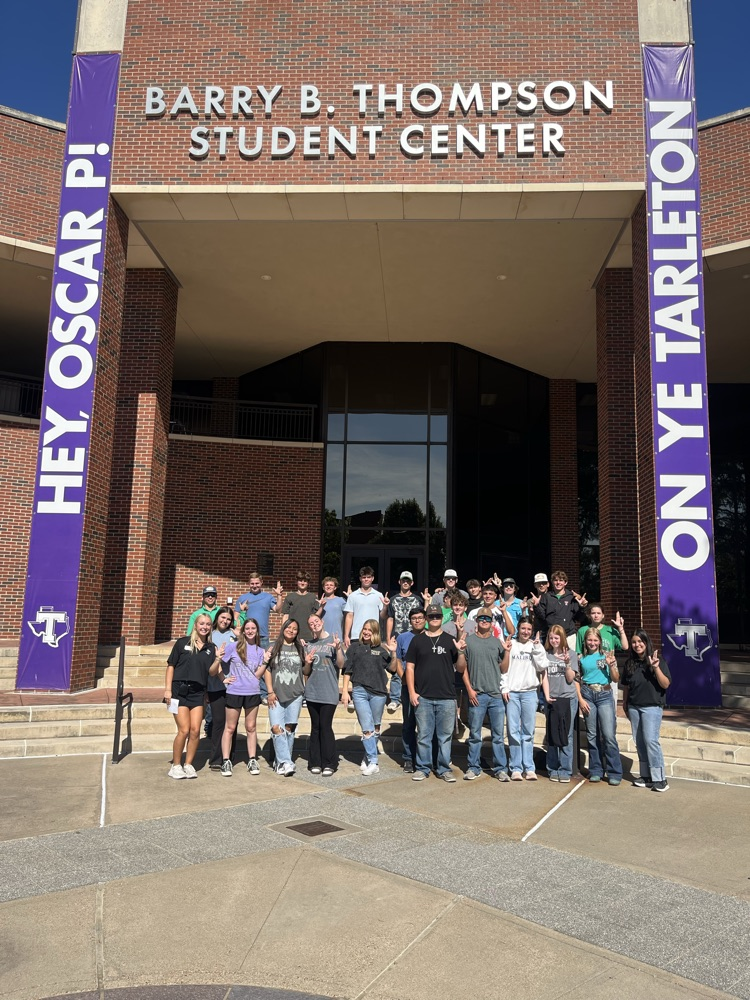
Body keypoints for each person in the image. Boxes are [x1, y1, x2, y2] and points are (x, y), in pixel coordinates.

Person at [405, 606, 467, 782]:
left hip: (447, 697)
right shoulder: (417, 641)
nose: (434, 618)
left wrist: (461, 651)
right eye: (431, 616)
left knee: (445, 737)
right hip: (423, 696)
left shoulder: (449, 640)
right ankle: (423, 768)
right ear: (426, 618)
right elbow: (409, 667)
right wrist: (411, 692)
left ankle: (443, 768)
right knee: (423, 735)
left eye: (437, 616)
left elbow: (461, 668)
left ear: (442, 618)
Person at [164, 614, 225, 779]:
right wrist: (167, 690)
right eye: (201, 623)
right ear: (195, 625)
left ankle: (188, 764)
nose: (204, 626)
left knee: (195, 730)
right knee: (183, 730)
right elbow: (171, 666)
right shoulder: (182, 642)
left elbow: (212, 672)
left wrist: (218, 659)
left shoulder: (211, 648)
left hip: (198, 693)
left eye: (207, 624)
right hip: (178, 691)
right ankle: (176, 766)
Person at [342, 619, 395, 775]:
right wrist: (345, 691)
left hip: (378, 692)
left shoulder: (382, 649)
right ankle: (373, 761)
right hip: (359, 691)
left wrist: (393, 652)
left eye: (370, 630)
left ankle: (368, 754)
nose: (366, 632)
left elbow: (392, 669)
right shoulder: (354, 648)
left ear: (376, 633)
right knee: (366, 727)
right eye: (364, 629)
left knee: (376, 726)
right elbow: (347, 671)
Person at [621, 629, 671, 792]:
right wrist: (625, 703)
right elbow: (627, 686)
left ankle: (660, 778)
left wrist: (656, 668)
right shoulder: (630, 663)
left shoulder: (658, 660)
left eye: (640, 641)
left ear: (646, 642)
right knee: (640, 741)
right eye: (634, 642)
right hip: (634, 706)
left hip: (652, 707)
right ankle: (646, 775)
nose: (637, 645)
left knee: (651, 740)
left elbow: (665, 684)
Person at [462, 609, 509, 780]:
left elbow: (504, 668)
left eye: (487, 619)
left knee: (497, 736)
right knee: (475, 735)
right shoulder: (468, 641)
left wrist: (508, 652)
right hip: (477, 694)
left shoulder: (497, 642)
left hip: (496, 695)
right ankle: (473, 767)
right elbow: (463, 669)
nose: (484, 621)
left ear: (491, 622)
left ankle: (500, 769)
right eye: (481, 618)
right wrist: (469, 689)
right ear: (476, 620)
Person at [219, 618, 267, 776]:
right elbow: (218, 662)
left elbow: (257, 675)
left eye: (253, 628)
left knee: (251, 727)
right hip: (234, 691)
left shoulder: (260, 651)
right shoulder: (233, 647)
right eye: (247, 628)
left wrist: (265, 662)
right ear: (243, 631)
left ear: (257, 631)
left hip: (252, 693)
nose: (250, 631)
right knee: (230, 727)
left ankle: (252, 759)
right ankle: (226, 761)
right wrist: (223, 679)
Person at [500, 618, 547, 780]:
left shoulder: (535, 646)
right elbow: (504, 669)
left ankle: (529, 767)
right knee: (513, 731)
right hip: (512, 693)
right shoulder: (511, 645)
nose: (525, 632)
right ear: (518, 629)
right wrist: (504, 687)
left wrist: (537, 647)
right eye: (523, 628)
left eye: (528, 629)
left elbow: (542, 667)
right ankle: (515, 768)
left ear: (532, 631)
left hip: (530, 693)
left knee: (528, 732)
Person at [264, 618, 311, 776]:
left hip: (295, 694)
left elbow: (305, 672)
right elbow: (267, 670)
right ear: (283, 628)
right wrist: (270, 691)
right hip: (276, 694)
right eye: (289, 627)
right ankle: (286, 762)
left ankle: (282, 763)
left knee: (290, 728)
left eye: (295, 628)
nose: (291, 630)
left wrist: (309, 663)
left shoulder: (300, 648)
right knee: (276, 727)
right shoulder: (273, 646)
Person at [578, 627, 623, 785]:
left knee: (608, 735)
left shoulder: (606, 656)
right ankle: (596, 769)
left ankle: (614, 771)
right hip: (588, 694)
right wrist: (580, 699)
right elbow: (577, 680)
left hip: (604, 694)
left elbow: (616, 679)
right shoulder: (581, 658)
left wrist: (611, 665)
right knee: (592, 734)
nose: (592, 643)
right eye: (589, 640)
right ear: (585, 641)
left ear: (599, 641)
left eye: (595, 640)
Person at [305, 612, 345, 775]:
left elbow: (341, 665)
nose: (314, 624)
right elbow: (306, 671)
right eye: (311, 623)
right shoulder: (308, 644)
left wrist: (338, 649)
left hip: (329, 692)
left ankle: (329, 763)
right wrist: (307, 662)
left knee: (325, 726)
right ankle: (315, 762)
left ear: (322, 621)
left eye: (316, 621)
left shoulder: (333, 640)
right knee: (315, 727)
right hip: (312, 691)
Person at [540, 625, 581, 782]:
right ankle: (552, 767)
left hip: (567, 698)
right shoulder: (546, 654)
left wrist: (568, 663)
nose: (554, 640)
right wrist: (547, 695)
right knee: (552, 734)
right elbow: (544, 676)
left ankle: (565, 769)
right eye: (551, 637)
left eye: (556, 637)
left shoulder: (571, 654)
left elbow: (571, 679)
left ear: (562, 638)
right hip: (552, 698)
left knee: (566, 735)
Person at [385, 571, 425, 712]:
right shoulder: (394, 599)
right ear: (399, 582)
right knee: (397, 667)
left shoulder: (417, 599)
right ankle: (395, 699)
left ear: (412, 583)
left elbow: (422, 616)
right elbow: (390, 618)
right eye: (403, 580)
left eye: (408, 580)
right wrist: (388, 636)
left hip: (414, 636)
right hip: (398, 636)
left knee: (413, 666)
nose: (406, 583)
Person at [395, 605, 426, 772]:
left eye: (420, 618)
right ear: (410, 621)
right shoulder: (403, 637)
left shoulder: (430, 635)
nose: (417, 621)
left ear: (425, 619)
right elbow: (398, 660)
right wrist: (403, 678)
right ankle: (408, 757)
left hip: (427, 686)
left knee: (426, 725)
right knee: (408, 722)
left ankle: (426, 757)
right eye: (414, 618)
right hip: (408, 686)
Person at [207, 606, 238, 769]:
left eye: (228, 619)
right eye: (222, 617)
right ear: (217, 617)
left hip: (234, 685)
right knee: (218, 721)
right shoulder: (210, 635)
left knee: (232, 723)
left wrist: (241, 638)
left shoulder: (235, 635)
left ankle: (229, 756)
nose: (225, 621)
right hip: (215, 685)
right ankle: (216, 759)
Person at [530, 570, 588, 649]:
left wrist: (582, 607)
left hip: (569, 636)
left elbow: (579, 618)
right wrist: (536, 606)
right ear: (552, 582)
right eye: (556, 580)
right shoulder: (546, 597)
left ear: (565, 582)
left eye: (561, 580)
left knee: (570, 659)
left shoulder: (571, 597)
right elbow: (542, 617)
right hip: (552, 637)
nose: (558, 583)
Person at [235, 574, 284, 647]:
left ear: (261, 583)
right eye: (252, 583)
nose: (254, 586)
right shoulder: (242, 598)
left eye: (257, 583)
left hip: (263, 637)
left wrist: (279, 596)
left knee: (264, 658)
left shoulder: (268, 597)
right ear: (249, 584)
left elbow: (278, 610)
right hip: (246, 636)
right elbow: (236, 618)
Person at [343, 566, 385, 647]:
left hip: (373, 635)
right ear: (360, 579)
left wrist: (386, 606)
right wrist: (346, 636)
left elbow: (383, 615)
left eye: (368, 577)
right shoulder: (353, 596)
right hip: (356, 635)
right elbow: (349, 616)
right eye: (364, 577)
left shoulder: (378, 595)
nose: (366, 579)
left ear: (372, 578)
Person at [281, 571, 320, 642]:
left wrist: (316, 632)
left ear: (308, 583)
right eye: (300, 580)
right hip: (292, 634)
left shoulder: (313, 597)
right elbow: (286, 616)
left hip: (309, 634)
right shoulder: (290, 597)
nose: (302, 583)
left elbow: (316, 617)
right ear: (296, 582)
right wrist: (283, 631)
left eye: (305, 581)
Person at [318, 576, 347, 643]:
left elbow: (349, 616)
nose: (329, 587)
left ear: (335, 587)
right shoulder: (320, 602)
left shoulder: (341, 600)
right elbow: (315, 618)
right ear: (323, 587)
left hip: (337, 636)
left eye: (331, 585)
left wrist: (351, 598)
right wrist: (321, 606)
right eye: (326, 585)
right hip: (323, 637)